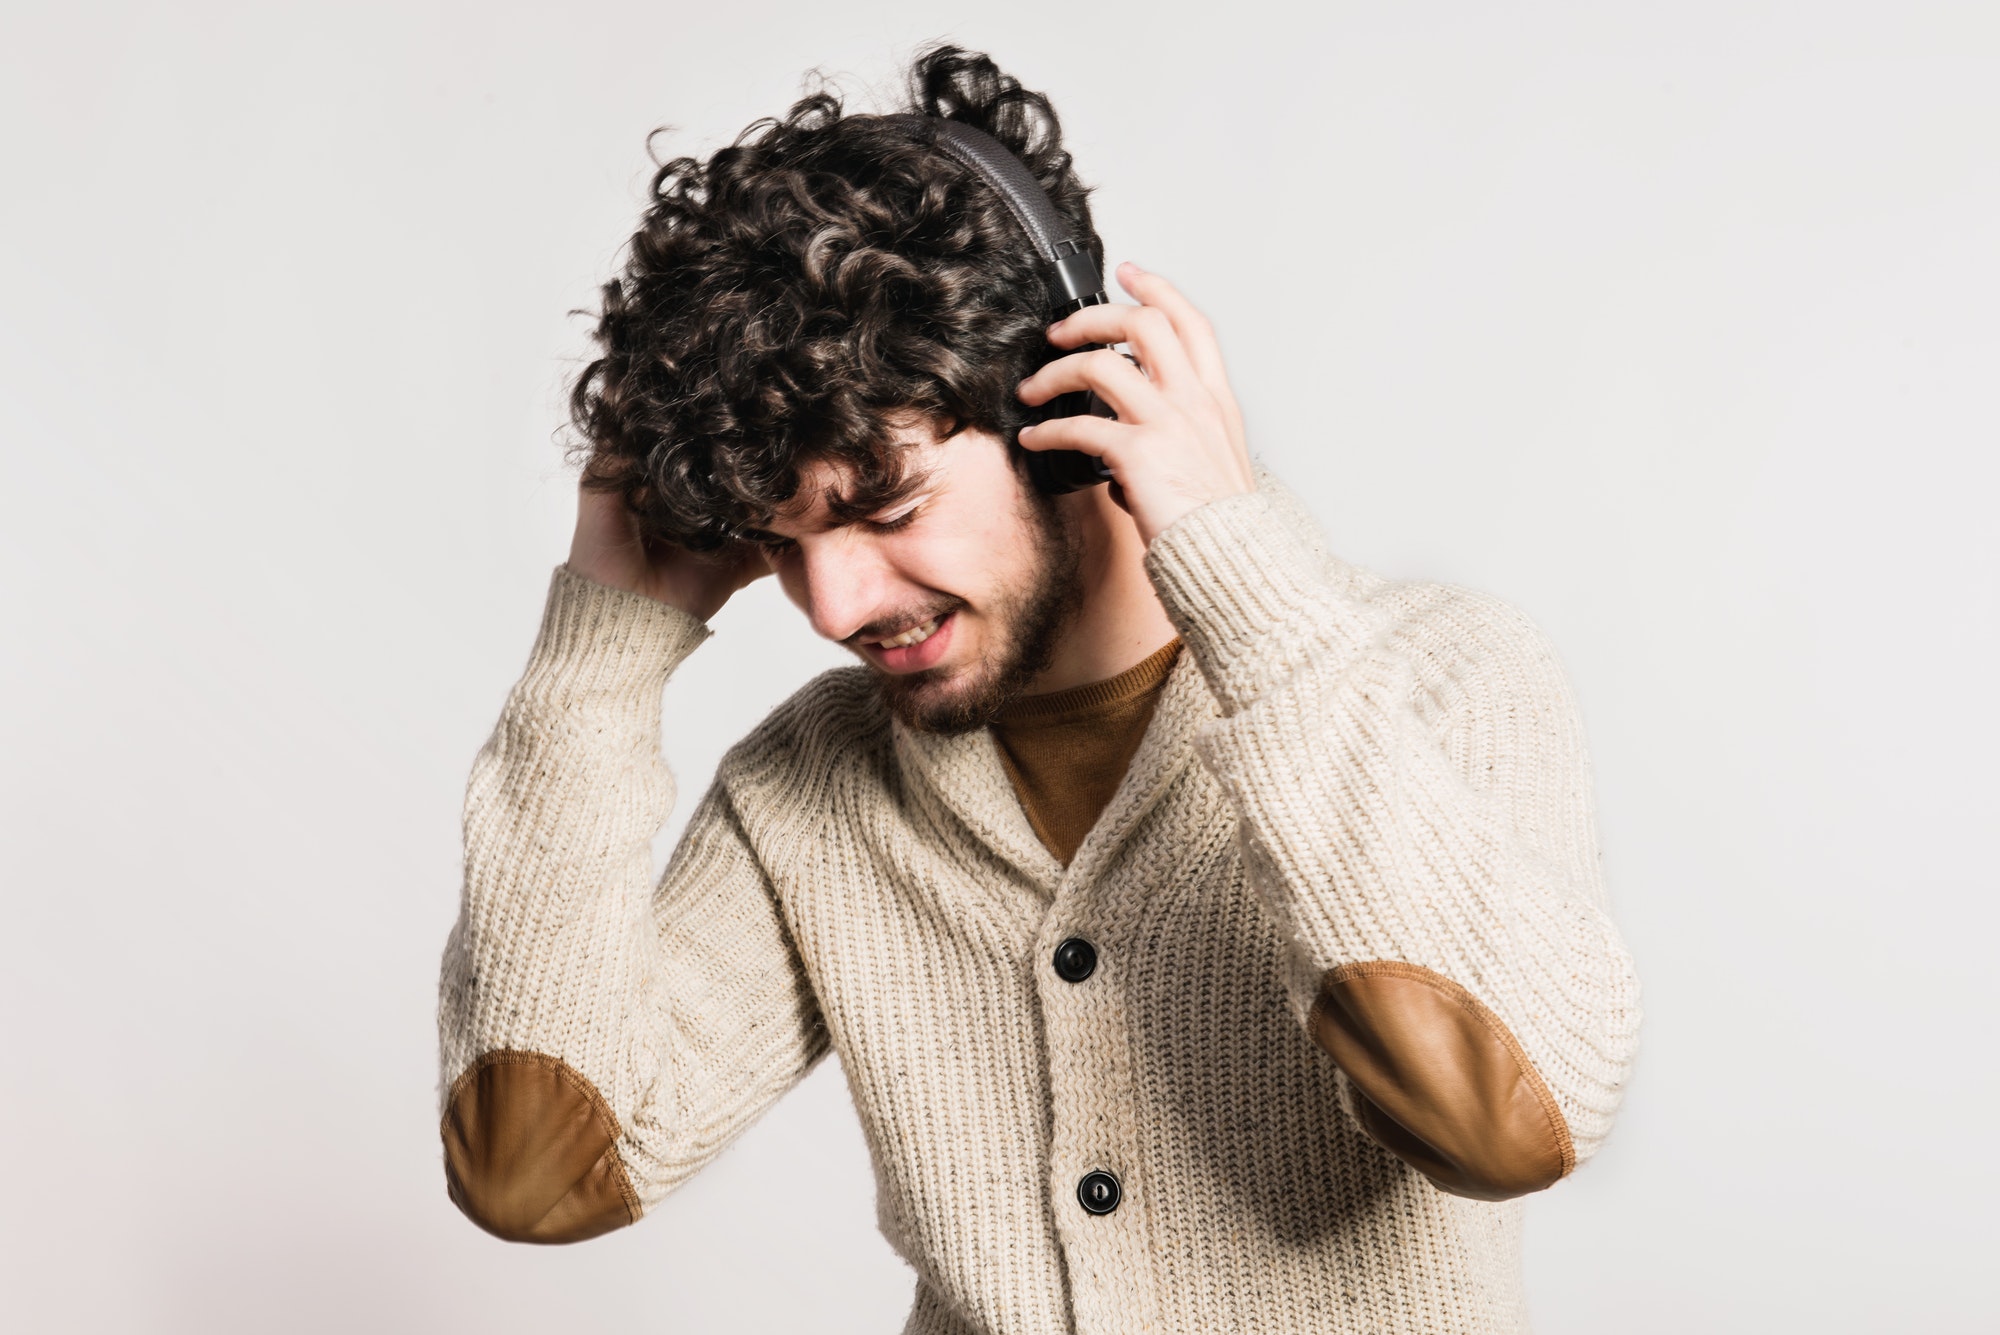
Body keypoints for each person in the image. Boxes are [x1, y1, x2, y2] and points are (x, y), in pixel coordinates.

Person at [437, 45, 1641, 1333]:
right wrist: (601, 649)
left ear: (1054, 401)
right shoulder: (817, 786)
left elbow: (1506, 1118)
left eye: (887, 507)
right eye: (782, 545)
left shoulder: (1441, 675)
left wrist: (1239, 568)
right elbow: (537, 1165)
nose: (836, 608)